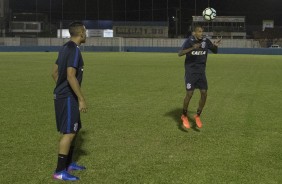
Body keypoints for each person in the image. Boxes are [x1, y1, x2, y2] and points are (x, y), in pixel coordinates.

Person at [51, 21, 88, 181]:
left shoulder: (65, 47)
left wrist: (61, 87)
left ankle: (69, 163)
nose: (85, 34)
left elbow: (54, 73)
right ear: (80, 32)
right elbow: (70, 75)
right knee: (69, 132)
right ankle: (60, 171)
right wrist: (80, 99)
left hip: (65, 95)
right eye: (84, 31)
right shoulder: (74, 50)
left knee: (75, 128)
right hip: (68, 97)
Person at [178, 25, 221, 129]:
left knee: (204, 93)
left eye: (202, 31)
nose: (201, 33)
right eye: (199, 31)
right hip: (191, 72)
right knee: (189, 93)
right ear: (194, 33)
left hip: (201, 72)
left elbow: (215, 51)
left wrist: (215, 45)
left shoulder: (206, 41)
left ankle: (197, 115)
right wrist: (193, 47)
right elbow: (180, 53)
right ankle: (184, 115)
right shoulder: (189, 41)